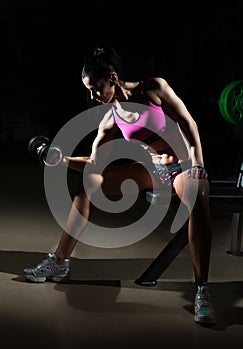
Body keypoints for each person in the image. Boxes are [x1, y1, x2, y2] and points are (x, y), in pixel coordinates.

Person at [24, 45, 215, 325]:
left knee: (197, 197)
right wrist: (61, 158)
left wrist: (197, 163)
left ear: (112, 78)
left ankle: (202, 291)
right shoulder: (110, 119)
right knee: (90, 182)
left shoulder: (155, 88)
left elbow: (188, 123)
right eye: (89, 90)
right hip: (153, 171)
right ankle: (59, 261)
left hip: (184, 167)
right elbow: (94, 163)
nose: (93, 96)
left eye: (96, 88)